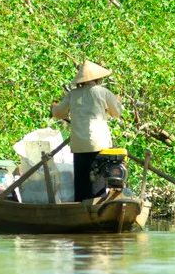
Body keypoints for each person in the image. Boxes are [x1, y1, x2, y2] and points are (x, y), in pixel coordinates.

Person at [51, 61, 123, 202]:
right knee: (97, 179)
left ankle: (80, 208)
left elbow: (60, 113)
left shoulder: (73, 94)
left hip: (79, 144)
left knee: (82, 180)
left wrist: (53, 108)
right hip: (99, 144)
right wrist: (116, 103)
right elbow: (116, 113)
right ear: (97, 79)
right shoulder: (103, 92)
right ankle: (96, 208)